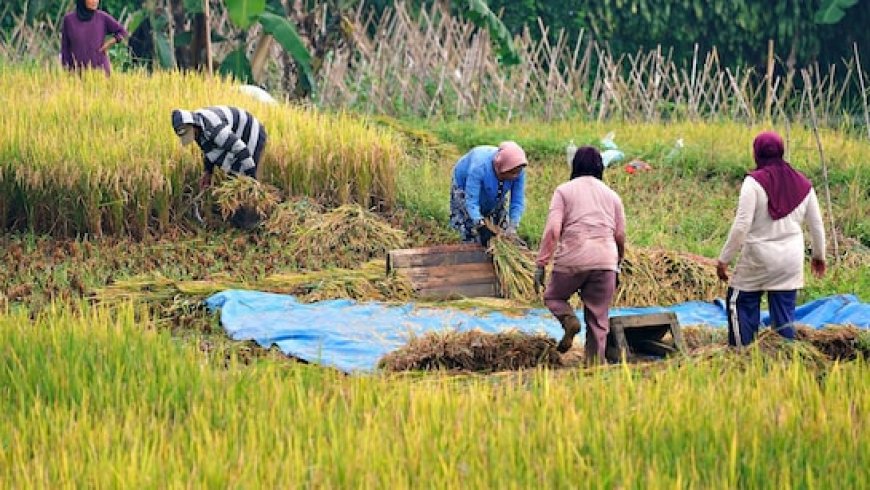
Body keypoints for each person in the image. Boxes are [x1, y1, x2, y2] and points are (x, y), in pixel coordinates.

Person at [716, 131, 826, 347]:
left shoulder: (753, 183)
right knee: (784, 318)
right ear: (781, 151)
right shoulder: (803, 184)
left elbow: (741, 226)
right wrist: (819, 256)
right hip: (790, 260)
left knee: (741, 302)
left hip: (759, 258)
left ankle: (741, 354)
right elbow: (816, 225)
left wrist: (724, 259)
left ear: (756, 153)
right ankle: (786, 356)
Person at [534, 147, 626, 362]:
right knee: (598, 319)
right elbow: (620, 235)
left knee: (553, 297)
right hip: (605, 260)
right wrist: (617, 264)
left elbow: (553, 230)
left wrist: (541, 263)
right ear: (600, 168)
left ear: (575, 166)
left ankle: (569, 320)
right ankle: (594, 367)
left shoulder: (564, 191)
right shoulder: (612, 196)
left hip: (572, 258)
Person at [172, 106, 268, 229]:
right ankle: (237, 220)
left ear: (193, 125)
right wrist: (208, 172)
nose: (191, 137)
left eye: (189, 133)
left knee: (243, 179)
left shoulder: (215, 129)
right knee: (234, 177)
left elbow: (242, 150)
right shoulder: (199, 129)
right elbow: (208, 150)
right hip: (236, 135)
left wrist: (252, 178)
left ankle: (253, 222)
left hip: (250, 132)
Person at [449, 141, 527, 247]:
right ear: (501, 169)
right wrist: (480, 225)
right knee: (469, 228)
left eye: (518, 172)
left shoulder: (517, 170)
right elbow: (471, 200)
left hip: (493, 187)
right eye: (512, 173)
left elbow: (517, 201)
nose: (515, 176)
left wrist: (512, 227)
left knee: (499, 226)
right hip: (465, 185)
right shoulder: (479, 167)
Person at [61, 0, 128, 76]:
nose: (95, 1)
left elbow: (122, 32)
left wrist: (109, 43)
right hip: (77, 72)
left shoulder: (102, 17)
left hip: (100, 72)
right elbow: (65, 48)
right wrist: (66, 71)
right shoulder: (69, 20)